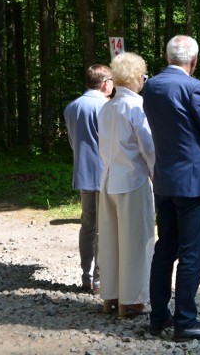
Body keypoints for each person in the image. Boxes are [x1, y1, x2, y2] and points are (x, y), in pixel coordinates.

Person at [142, 35, 200, 342]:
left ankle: (158, 318)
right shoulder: (195, 87)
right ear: (193, 60)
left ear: (167, 57)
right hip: (195, 180)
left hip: (164, 178)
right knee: (191, 253)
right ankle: (186, 321)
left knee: (165, 249)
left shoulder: (150, 86)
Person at [97, 52, 155, 318]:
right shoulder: (137, 107)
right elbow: (148, 147)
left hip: (108, 179)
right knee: (136, 242)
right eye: (143, 75)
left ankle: (111, 295)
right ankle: (131, 301)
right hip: (132, 180)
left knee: (110, 240)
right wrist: (157, 175)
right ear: (136, 78)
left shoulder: (107, 107)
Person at [64, 64, 114, 294]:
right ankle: (99, 280)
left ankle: (86, 276)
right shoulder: (105, 106)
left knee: (87, 226)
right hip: (105, 173)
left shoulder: (72, 107)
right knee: (103, 228)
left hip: (83, 172)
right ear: (105, 83)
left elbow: (73, 143)